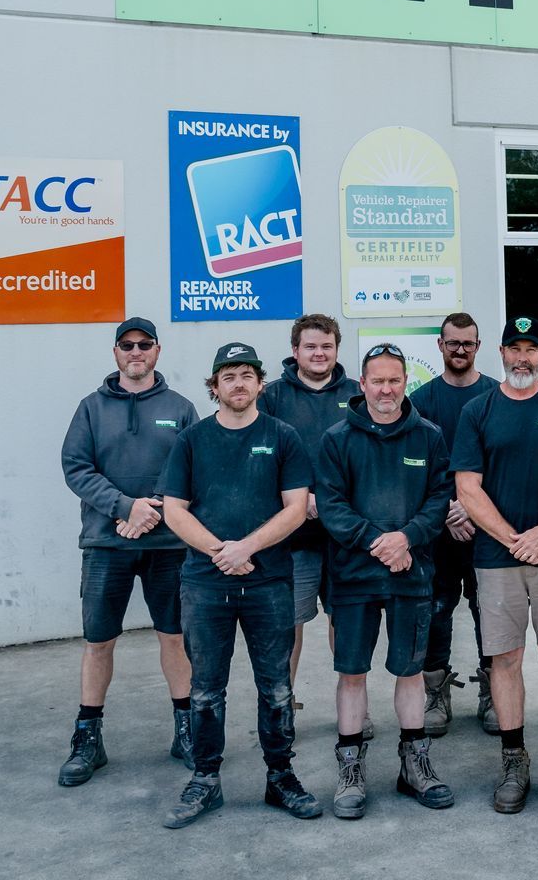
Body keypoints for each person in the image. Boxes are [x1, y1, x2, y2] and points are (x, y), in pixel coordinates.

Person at [157, 342, 324, 828]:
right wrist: (220, 552)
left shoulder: (283, 436)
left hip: (269, 582)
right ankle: (206, 779)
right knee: (206, 688)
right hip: (206, 585)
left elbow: (296, 508)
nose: (238, 383)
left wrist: (246, 549)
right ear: (214, 387)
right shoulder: (192, 440)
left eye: (247, 374)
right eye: (228, 375)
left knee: (275, 687)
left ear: (260, 384)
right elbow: (174, 510)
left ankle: (280, 777)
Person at [450, 316, 538, 813]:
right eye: (514, 348)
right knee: (505, 660)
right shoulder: (478, 410)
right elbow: (467, 486)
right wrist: (514, 539)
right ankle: (514, 760)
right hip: (497, 557)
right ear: (501, 351)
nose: (522, 358)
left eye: (531, 349)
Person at [312, 345, 455, 818]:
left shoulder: (429, 437)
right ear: (362, 384)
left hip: (411, 575)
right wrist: (380, 542)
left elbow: (439, 501)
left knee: (409, 672)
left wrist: (407, 540)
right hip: (353, 577)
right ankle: (350, 770)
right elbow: (331, 506)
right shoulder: (336, 439)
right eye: (378, 381)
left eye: (395, 380)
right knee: (351, 673)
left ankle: (414, 764)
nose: (387, 389)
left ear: (405, 382)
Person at [56, 317, 199, 787]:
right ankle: (87, 738)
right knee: (99, 642)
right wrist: (124, 507)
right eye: (126, 345)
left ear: (158, 351)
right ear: (115, 352)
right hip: (106, 543)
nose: (135, 352)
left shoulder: (180, 408)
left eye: (144, 344)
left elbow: (192, 469)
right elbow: (76, 467)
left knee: (174, 638)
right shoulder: (91, 408)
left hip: (168, 546)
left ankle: (187, 731)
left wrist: (150, 510)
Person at [258, 313, 361, 733]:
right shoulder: (273, 397)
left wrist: (333, 503)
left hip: (347, 537)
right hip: (293, 538)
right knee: (289, 627)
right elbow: (262, 459)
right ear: (295, 350)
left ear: (336, 349)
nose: (319, 354)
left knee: (347, 622)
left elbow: (369, 460)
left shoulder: (357, 394)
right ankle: (283, 705)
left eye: (327, 347)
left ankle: (353, 709)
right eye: (310, 347)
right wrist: (301, 499)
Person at [408, 312, 498, 735]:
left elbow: (503, 466)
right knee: (437, 610)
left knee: (489, 611)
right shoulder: (421, 401)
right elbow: (415, 466)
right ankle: (434, 692)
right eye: (452, 343)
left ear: (478, 346)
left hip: (487, 530)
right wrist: (447, 509)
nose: (460, 350)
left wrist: (474, 509)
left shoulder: (497, 396)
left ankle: (493, 691)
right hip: (437, 531)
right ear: (440, 346)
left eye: (468, 343)